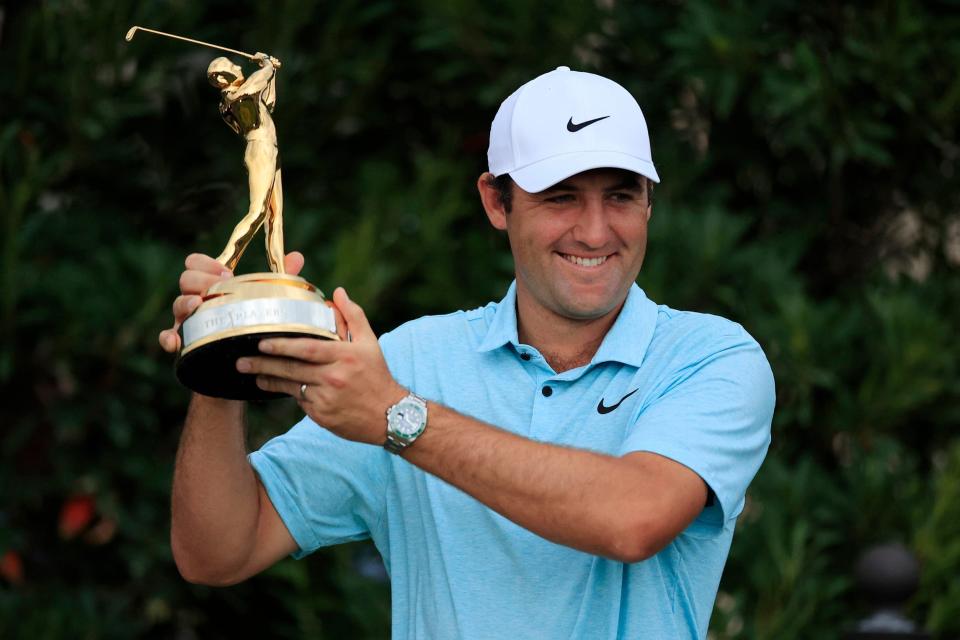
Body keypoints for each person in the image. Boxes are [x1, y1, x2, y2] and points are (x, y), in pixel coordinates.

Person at [159, 66, 775, 639]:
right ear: (494, 202)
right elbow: (219, 551)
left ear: (648, 202)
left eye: (620, 195)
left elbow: (634, 517)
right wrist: (217, 365)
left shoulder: (711, 357)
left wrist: (398, 418)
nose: (595, 230)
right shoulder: (410, 361)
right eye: (560, 197)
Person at [207, 53, 285, 273]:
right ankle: (223, 262)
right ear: (222, 80)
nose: (238, 65)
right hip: (260, 149)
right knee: (258, 211)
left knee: (274, 215)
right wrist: (267, 64)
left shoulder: (245, 94)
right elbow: (259, 80)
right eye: (231, 66)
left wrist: (273, 73)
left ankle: (280, 273)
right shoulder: (234, 97)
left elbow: (267, 104)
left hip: (270, 148)